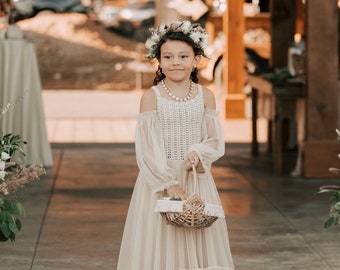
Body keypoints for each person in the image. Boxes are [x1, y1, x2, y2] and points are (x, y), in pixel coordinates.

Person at [117, 20, 234, 270]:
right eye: (168, 56)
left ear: (196, 59)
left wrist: (200, 153)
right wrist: (167, 184)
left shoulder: (206, 96)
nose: (176, 62)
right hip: (160, 179)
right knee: (161, 239)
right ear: (158, 60)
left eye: (183, 56)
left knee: (196, 235)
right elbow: (147, 147)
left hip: (195, 177)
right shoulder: (151, 98)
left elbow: (214, 138)